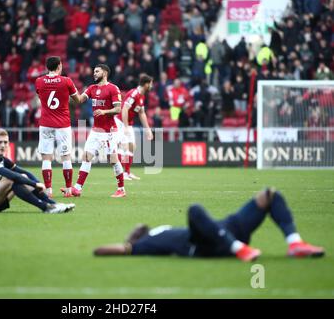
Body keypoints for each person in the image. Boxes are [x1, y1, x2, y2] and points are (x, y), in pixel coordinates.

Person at [94, 188, 325, 261]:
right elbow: (101, 250)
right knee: (194, 209)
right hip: (204, 244)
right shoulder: (143, 244)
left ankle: (294, 243)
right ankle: (238, 249)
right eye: (135, 230)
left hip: (225, 228)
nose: (139, 226)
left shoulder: (157, 229)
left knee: (269, 195)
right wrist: (126, 244)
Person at [0, 128, 74, 214]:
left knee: (21, 177)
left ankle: (54, 205)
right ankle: (46, 207)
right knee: (11, 180)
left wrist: (37, 183)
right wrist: (35, 184)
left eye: (5, 142)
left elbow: (23, 172)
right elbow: (10, 175)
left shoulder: (2, 159)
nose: (3, 145)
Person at [67, 64, 126, 198]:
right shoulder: (92, 88)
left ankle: (121, 189)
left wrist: (104, 111)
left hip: (109, 131)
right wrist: (70, 90)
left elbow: (118, 109)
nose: (94, 73)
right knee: (86, 157)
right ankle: (77, 188)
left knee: (112, 160)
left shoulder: (113, 88)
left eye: (97, 71)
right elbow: (79, 100)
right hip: (96, 131)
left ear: (105, 73)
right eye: (94, 71)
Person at [35, 56, 81, 198]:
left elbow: (40, 96)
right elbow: (78, 100)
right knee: (66, 156)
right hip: (63, 124)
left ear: (47, 67)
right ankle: (68, 190)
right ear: (59, 66)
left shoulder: (39, 81)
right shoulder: (66, 81)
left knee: (46, 158)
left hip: (46, 124)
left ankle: (48, 191)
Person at [114, 74, 154, 181]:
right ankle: (120, 173)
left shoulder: (142, 95)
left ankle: (127, 173)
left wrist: (148, 129)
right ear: (146, 84)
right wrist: (126, 126)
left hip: (128, 123)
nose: (151, 86)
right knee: (124, 146)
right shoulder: (134, 94)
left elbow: (141, 113)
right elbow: (125, 109)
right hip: (121, 122)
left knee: (132, 146)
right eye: (150, 84)